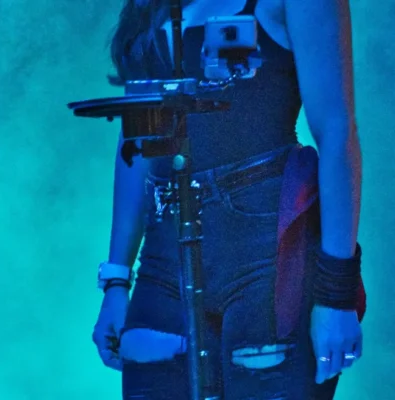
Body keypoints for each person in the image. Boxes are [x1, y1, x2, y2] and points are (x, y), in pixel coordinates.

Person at [91, 0, 366, 398]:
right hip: (164, 253)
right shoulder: (152, 7)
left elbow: (337, 132)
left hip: (266, 252)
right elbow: (137, 140)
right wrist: (116, 280)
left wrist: (336, 295)